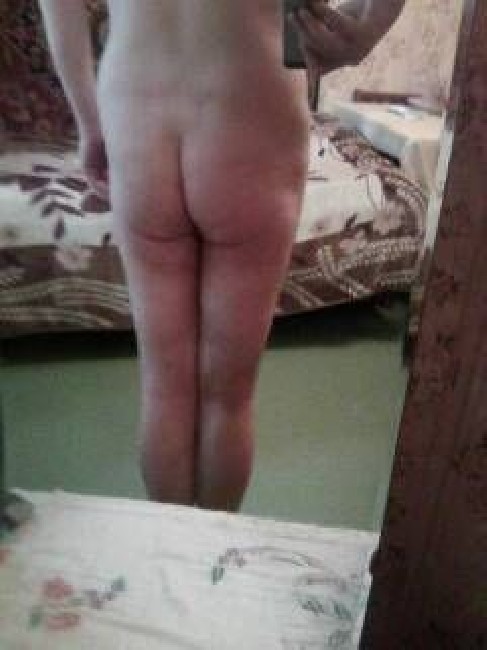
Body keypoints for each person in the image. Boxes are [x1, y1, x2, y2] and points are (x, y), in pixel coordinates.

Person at [39, 0, 406, 511]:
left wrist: (88, 123)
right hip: (252, 97)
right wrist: (363, 32)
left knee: (164, 387)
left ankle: (172, 547)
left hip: (136, 103)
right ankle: (211, 553)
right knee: (227, 396)